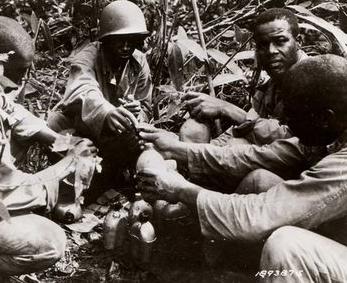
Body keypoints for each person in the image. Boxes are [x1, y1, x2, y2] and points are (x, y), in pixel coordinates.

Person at [138, 54, 347, 282]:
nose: (287, 125)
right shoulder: (331, 133)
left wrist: (181, 190)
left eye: (293, 116)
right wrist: (178, 149)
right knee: (260, 179)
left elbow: (256, 217)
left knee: (287, 247)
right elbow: (255, 157)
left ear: (325, 118)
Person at [0, 16, 96, 276]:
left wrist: (63, 142)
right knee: (49, 242)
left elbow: (13, 110)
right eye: (15, 74)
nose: (19, 84)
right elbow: (0, 194)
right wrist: (62, 170)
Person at [48, 0, 153, 192]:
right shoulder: (86, 59)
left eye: (132, 39)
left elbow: (146, 105)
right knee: (54, 125)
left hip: (117, 136)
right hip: (84, 130)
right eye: (119, 40)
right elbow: (82, 88)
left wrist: (136, 113)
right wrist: (107, 112)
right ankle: (74, 184)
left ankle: (115, 177)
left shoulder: (139, 63)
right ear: (105, 39)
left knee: (145, 145)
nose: (126, 46)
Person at [182, 8, 307, 146]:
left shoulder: (315, 78)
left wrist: (227, 109)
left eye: (280, 41)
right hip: (271, 153)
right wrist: (206, 149)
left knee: (235, 146)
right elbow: (242, 130)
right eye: (263, 45)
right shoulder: (271, 84)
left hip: (305, 159)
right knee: (194, 129)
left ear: (299, 42)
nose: (271, 51)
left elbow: (299, 138)